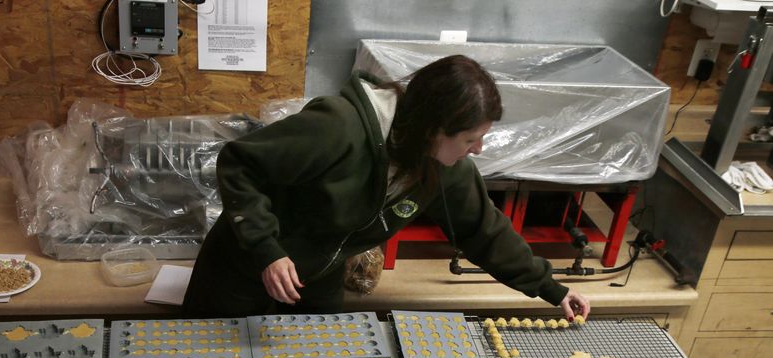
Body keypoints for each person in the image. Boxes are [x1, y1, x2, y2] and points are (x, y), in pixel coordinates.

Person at [182, 55, 590, 321]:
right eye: (469, 139)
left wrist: (551, 288)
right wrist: (266, 249)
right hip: (243, 265)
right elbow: (240, 163)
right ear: (433, 130)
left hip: (318, 275)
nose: (478, 150)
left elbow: (483, 231)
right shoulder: (339, 128)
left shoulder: (445, 167)